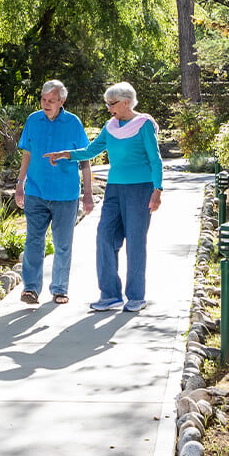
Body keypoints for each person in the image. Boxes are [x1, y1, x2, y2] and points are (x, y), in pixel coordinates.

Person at [45, 81, 163, 312]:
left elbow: (155, 159)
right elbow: (91, 150)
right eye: (107, 104)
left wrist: (157, 190)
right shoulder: (110, 127)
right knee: (104, 238)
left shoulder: (144, 125)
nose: (109, 108)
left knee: (136, 243)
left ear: (126, 102)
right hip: (114, 190)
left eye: (112, 104)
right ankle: (110, 295)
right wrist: (66, 154)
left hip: (140, 189)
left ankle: (136, 297)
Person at [16, 79, 94, 305]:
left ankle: (60, 289)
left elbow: (86, 159)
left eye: (51, 100)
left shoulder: (73, 123)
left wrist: (87, 194)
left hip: (65, 195)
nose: (46, 104)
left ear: (62, 101)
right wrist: (20, 183)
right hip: (36, 192)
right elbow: (27, 155)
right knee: (33, 241)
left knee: (62, 244)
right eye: (43, 99)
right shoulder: (33, 120)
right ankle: (30, 289)